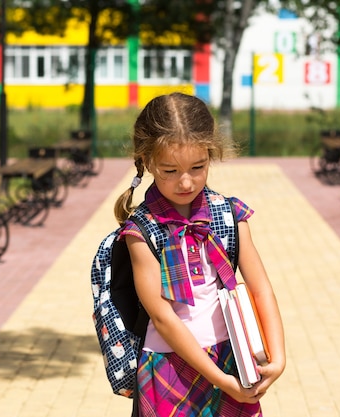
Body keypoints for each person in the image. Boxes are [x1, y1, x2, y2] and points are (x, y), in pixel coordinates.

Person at [114, 92, 285, 416]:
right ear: (147, 160)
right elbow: (163, 318)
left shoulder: (229, 215)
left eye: (198, 166)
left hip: (232, 357)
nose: (186, 181)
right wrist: (220, 379)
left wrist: (278, 358)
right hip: (168, 367)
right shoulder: (141, 230)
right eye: (169, 171)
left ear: (212, 154)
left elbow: (261, 289)